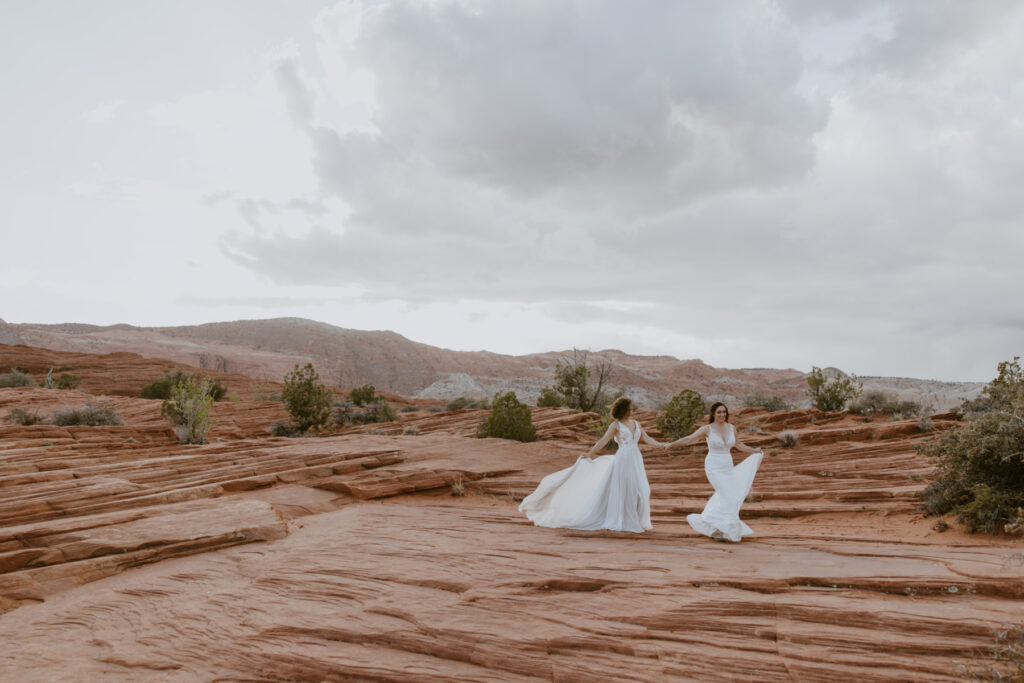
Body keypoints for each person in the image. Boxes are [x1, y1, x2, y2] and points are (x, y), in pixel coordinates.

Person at [519, 397, 665, 532]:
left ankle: (635, 520)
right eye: (629, 408)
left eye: (631, 408)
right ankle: (623, 520)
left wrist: (662, 445)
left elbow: (647, 438)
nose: (631, 411)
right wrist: (590, 453)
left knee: (642, 490)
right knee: (624, 490)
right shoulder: (616, 425)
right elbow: (603, 440)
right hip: (623, 460)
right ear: (623, 410)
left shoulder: (636, 424)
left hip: (635, 460)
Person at [669, 402, 763, 542]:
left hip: (727, 465)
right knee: (727, 495)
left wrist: (754, 450)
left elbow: (739, 445)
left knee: (728, 496)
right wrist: (671, 444)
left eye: (724, 412)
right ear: (713, 414)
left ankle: (717, 527)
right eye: (719, 412)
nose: (722, 415)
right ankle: (720, 527)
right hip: (713, 466)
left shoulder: (731, 428)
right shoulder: (707, 429)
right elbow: (689, 439)